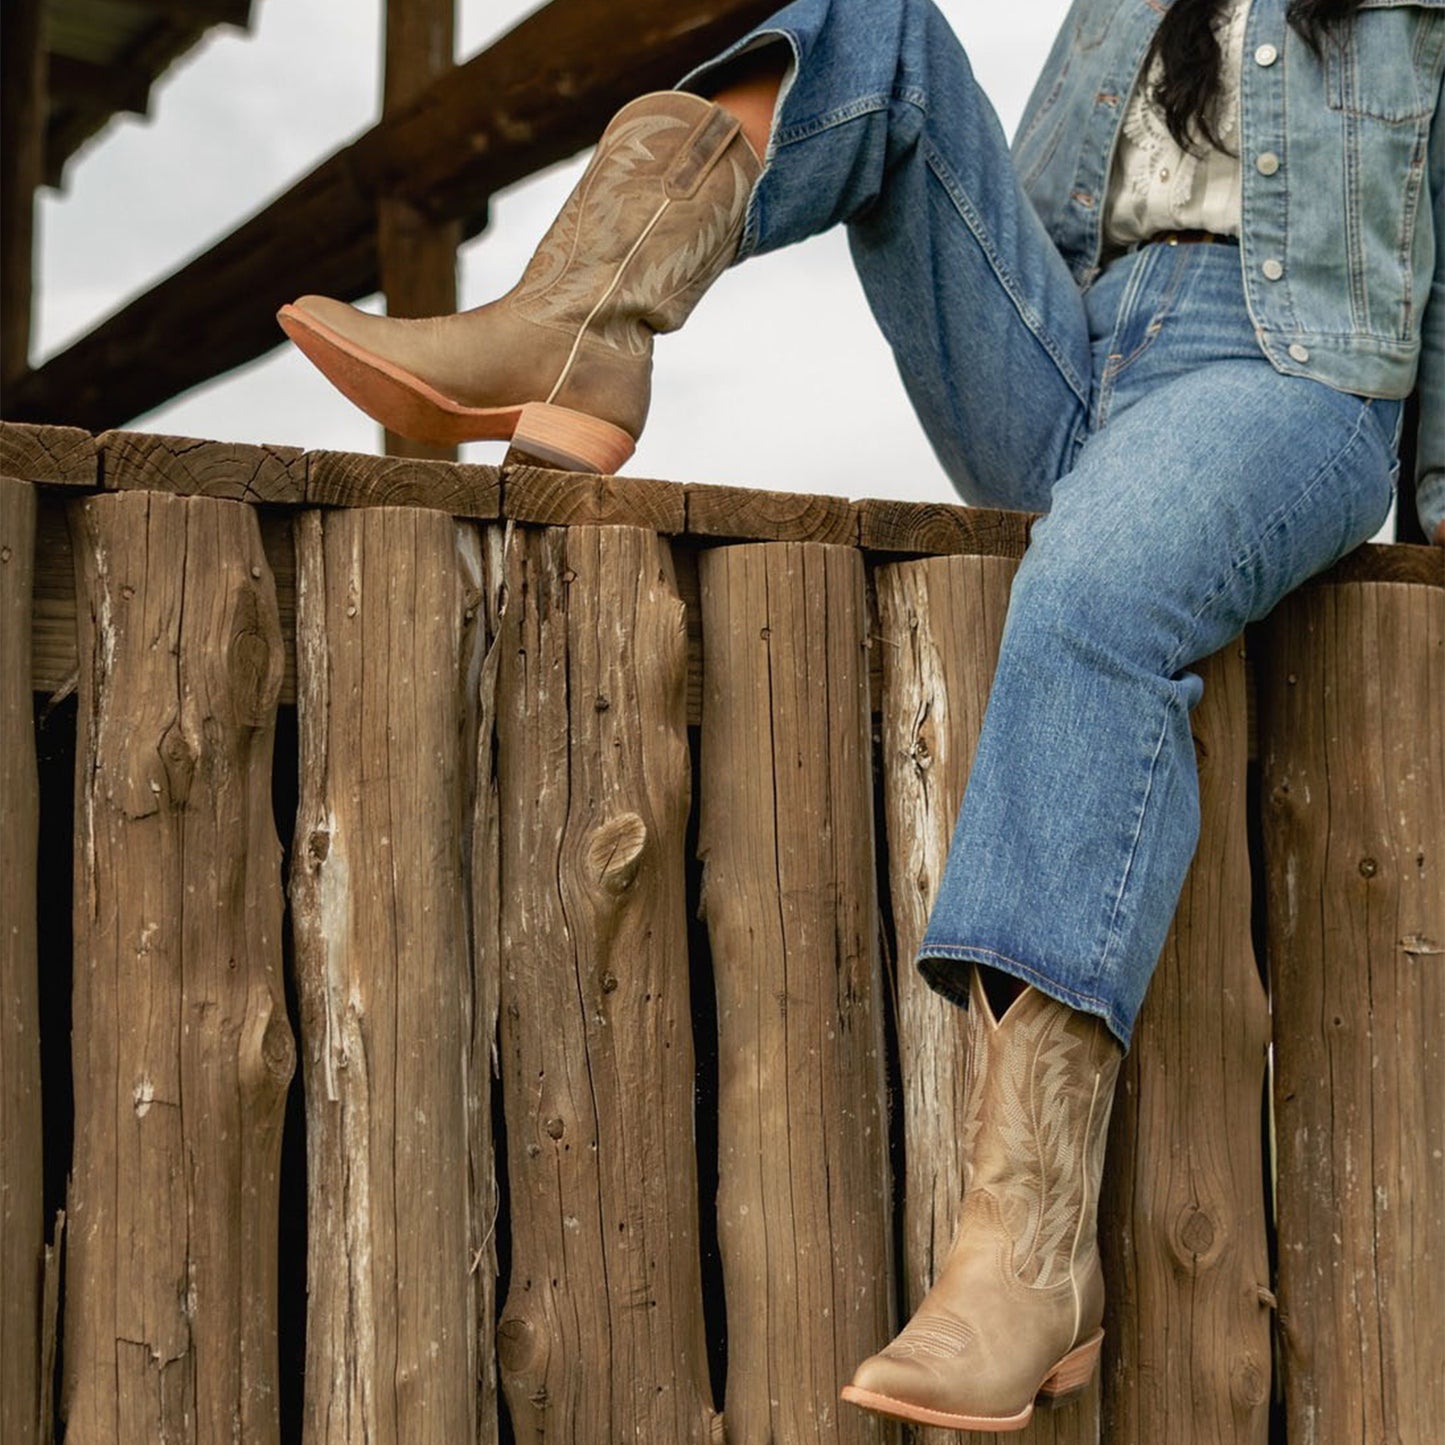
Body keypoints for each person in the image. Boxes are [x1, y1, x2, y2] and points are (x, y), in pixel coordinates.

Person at [280, 0, 1445, 1432]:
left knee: (1090, 585)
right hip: (1073, 355)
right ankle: (585, 321)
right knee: (872, 20)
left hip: (1286, 387)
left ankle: (1029, 1252)